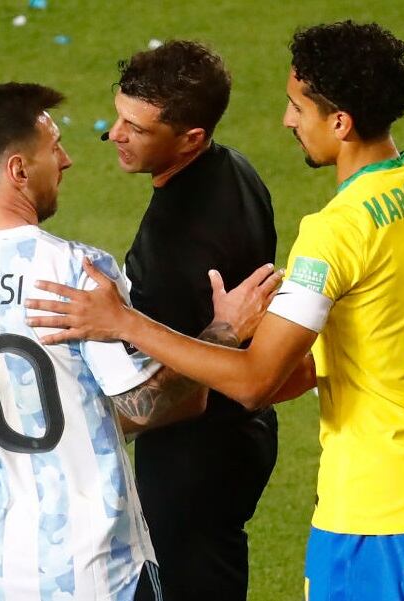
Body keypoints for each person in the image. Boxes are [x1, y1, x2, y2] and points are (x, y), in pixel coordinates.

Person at [28, 21, 404, 601]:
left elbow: (252, 383)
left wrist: (122, 321)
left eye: (298, 107)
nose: (287, 121)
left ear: (340, 122)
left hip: (378, 502)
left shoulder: (337, 232)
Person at [0, 82, 280, 601]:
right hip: (97, 573)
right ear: (19, 170)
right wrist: (222, 332)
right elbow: (150, 405)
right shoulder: (77, 272)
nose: (66, 160)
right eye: (54, 147)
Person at [102, 40, 280, 600]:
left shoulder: (176, 244)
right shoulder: (237, 170)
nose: (114, 134)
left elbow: (181, 397)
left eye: (136, 127)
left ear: (190, 138)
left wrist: (85, 423)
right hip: (243, 436)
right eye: (118, 116)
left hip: (193, 460)